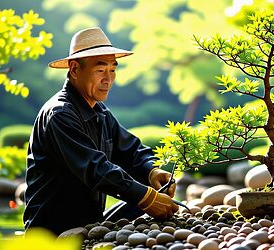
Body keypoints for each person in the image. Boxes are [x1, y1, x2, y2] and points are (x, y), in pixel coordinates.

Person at [23, 27, 179, 236]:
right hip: (53, 232)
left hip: (90, 222)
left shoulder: (99, 111)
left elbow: (131, 150)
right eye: (100, 70)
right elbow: (96, 169)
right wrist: (147, 198)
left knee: (154, 200)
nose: (108, 78)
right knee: (145, 199)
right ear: (75, 69)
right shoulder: (59, 114)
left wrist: (152, 171)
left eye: (112, 70)